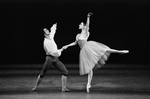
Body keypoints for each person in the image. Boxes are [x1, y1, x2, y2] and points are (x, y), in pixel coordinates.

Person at [64, 12, 129, 93]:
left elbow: (88, 25)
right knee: (90, 68)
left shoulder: (86, 33)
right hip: (83, 52)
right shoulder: (77, 35)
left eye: (80, 24)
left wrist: (88, 17)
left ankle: (119, 51)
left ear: (83, 26)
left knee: (104, 49)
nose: (79, 25)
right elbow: (75, 43)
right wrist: (66, 46)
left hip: (89, 48)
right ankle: (88, 84)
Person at [32, 23, 70, 92]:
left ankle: (63, 88)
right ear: (44, 34)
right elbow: (53, 52)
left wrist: (54, 26)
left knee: (65, 72)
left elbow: (53, 31)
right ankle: (35, 87)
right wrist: (62, 49)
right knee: (42, 74)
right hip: (50, 59)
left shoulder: (50, 37)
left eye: (47, 29)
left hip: (55, 58)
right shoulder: (46, 42)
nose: (48, 30)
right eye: (46, 30)